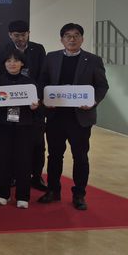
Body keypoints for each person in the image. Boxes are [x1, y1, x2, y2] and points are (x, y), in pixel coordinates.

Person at [38, 23, 109, 211]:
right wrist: (45, 100)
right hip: (56, 116)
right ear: (61, 39)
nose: (72, 39)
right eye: (68, 36)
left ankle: (79, 194)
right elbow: (43, 81)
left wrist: (93, 101)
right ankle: (53, 190)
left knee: (80, 157)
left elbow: (102, 86)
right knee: (54, 155)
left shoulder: (93, 60)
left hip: (80, 117)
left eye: (76, 35)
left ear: (82, 39)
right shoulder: (51, 57)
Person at [0, 49, 39, 209]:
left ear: (22, 63)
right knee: (2, 159)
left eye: (16, 60)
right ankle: (3, 194)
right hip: (2, 126)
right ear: (4, 64)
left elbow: (37, 109)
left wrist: (35, 107)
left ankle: (23, 196)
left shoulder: (30, 83)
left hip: (24, 127)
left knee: (24, 161)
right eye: (8, 61)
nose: (12, 64)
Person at [5, 20, 49, 191]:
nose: (21, 38)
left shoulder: (38, 49)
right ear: (10, 35)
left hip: (34, 104)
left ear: (28, 33)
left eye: (24, 35)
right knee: (13, 141)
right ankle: (13, 175)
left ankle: (36, 176)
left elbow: (43, 75)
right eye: (17, 35)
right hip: (13, 104)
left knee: (38, 143)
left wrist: (36, 96)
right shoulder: (4, 50)